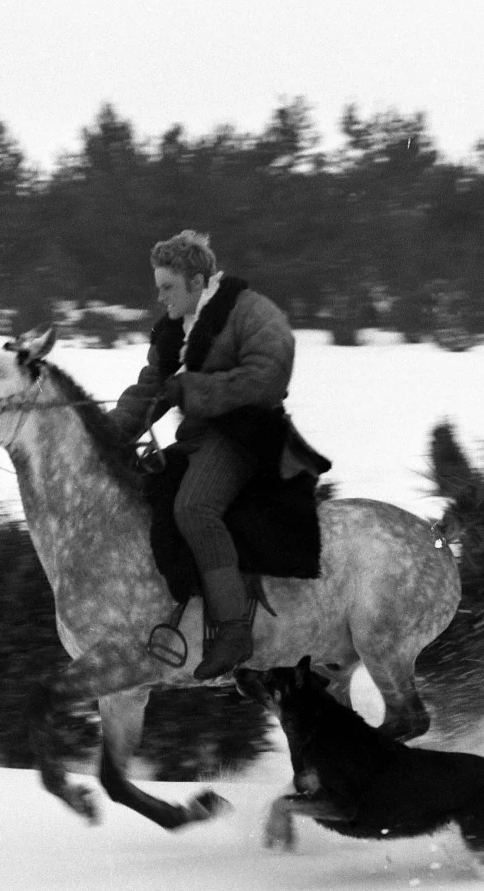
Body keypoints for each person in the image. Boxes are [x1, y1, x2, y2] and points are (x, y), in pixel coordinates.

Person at [109, 230, 297, 679]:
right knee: (144, 492)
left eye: (167, 287)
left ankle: (233, 629)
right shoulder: (175, 330)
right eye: (157, 287)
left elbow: (267, 379)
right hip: (200, 439)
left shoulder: (249, 313)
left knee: (194, 507)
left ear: (197, 281)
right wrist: (107, 436)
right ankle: (188, 602)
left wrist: (192, 390)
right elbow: (150, 387)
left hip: (247, 437)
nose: (160, 296)